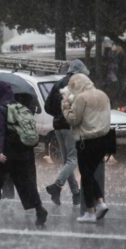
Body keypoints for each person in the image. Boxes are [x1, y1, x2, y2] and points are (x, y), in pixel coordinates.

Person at [0, 81, 47, 227]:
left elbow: (0, 132)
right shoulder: (20, 107)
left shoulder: (0, 108)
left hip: (6, 153)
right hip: (22, 152)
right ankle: (40, 210)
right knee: (26, 184)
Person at [62, 73, 111, 223]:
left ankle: (91, 211)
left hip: (87, 141)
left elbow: (73, 120)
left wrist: (65, 106)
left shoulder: (81, 98)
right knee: (89, 174)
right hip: (105, 140)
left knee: (86, 175)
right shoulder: (103, 95)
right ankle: (100, 203)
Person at [44, 59, 89, 206]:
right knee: (72, 159)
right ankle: (57, 186)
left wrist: (59, 114)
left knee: (67, 161)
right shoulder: (78, 83)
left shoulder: (58, 83)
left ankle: (76, 193)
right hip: (71, 125)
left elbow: (47, 106)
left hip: (58, 126)